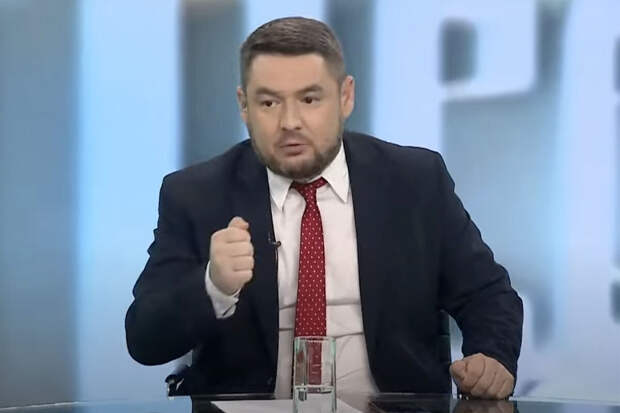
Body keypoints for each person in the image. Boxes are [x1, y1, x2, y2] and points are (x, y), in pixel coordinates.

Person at [125, 16, 523, 400]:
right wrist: (213, 286)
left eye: (310, 99)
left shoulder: (415, 182)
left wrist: (492, 357)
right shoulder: (197, 195)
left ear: (345, 97)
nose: (290, 121)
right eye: (269, 103)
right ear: (244, 105)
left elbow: (488, 295)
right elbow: (144, 337)